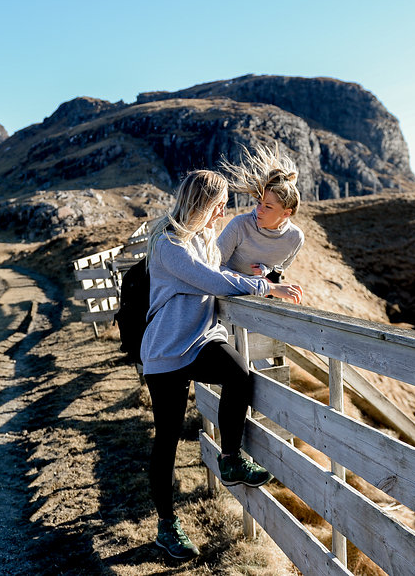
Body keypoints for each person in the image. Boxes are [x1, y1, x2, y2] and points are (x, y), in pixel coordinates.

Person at [141, 169, 304, 560]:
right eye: (219, 206)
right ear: (203, 205)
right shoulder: (168, 242)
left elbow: (221, 274)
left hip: (201, 341)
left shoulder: (204, 239)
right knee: (167, 440)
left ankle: (229, 458)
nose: (224, 213)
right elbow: (210, 282)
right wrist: (267, 287)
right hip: (165, 351)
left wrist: (255, 276)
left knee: (238, 375)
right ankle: (167, 525)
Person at [218, 145, 304, 282]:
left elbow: (279, 271)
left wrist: (267, 272)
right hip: (226, 295)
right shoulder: (240, 225)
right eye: (259, 203)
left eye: (268, 207)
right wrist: (254, 282)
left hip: (263, 296)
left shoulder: (295, 238)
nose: (259, 210)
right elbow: (213, 267)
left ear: (286, 213)